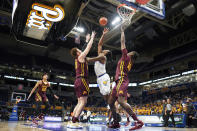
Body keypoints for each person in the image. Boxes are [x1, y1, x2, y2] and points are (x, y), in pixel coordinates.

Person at [108, 24, 143, 130]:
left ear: (131, 54)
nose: (129, 51)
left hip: (122, 80)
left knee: (122, 102)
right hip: (118, 81)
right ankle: (116, 122)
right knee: (110, 102)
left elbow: (122, 43)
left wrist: (122, 31)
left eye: (130, 51)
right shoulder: (129, 61)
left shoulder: (126, 57)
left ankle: (138, 121)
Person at [70, 31, 105, 123]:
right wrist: (92, 37)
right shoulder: (81, 57)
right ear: (78, 53)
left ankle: (73, 119)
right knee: (84, 102)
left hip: (77, 81)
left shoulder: (77, 59)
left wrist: (86, 40)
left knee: (79, 102)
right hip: (82, 80)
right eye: (78, 50)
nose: (80, 50)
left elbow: (83, 48)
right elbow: (87, 48)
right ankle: (75, 118)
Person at [94, 28, 111, 101]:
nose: (102, 50)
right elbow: (99, 44)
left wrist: (89, 59)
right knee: (104, 94)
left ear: (105, 53)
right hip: (99, 78)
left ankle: (112, 107)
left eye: (104, 50)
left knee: (106, 93)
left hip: (103, 77)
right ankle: (110, 106)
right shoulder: (100, 56)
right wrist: (103, 34)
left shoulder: (103, 57)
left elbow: (100, 45)